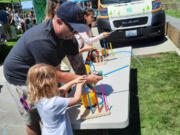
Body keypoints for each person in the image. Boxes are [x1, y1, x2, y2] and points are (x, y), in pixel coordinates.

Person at [3, 2, 102, 135]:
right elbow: (55, 74)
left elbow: (77, 63)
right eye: (73, 28)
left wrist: (87, 84)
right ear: (59, 21)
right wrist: (84, 79)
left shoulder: (69, 37)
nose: (74, 33)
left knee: (50, 109)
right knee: (32, 117)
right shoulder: (42, 40)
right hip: (19, 80)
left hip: (43, 73)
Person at [27, 64, 87, 135]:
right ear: (49, 83)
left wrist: (74, 81)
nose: (57, 81)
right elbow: (76, 99)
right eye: (55, 79)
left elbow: (60, 91)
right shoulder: (54, 102)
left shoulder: (38, 96)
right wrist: (79, 85)